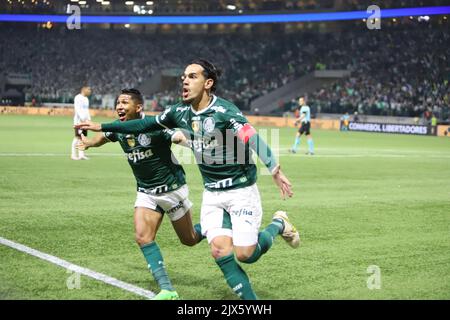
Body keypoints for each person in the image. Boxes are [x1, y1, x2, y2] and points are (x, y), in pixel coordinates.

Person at [75, 59, 300, 300]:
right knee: (219, 251)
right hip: (212, 193)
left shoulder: (225, 111)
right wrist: (102, 126)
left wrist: (274, 169)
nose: (184, 80)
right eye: (184, 76)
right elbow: (146, 123)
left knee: (246, 254)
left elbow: (250, 136)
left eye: (192, 76)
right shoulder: (178, 111)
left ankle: (278, 224)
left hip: (241, 190)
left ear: (208, 83)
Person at [77, 88, 204, 300]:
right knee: (143, 237)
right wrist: (90, 143)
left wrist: (182, 137)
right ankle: (167, 290)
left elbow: (175, 134)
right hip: (146, 191)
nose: (119, 106)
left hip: (171, 190)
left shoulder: (154, 126)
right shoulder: (119, 129)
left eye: (124, 102)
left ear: (138, 107)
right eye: (118, 102)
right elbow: (106, 137)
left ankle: (212, 224)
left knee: (189, 239)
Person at [71, 86, 92, 160]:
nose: (90, 91)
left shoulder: (86, 99)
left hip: (85, 121)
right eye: (89, 89)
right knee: (77, 137)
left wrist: (89, 119)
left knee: (83, 138)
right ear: (83, 89)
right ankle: (73, 155)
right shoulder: (78, 97)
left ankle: (81, 154)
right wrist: (82, 119)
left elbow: (86, 110)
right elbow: (78, 109)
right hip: (79, 122)